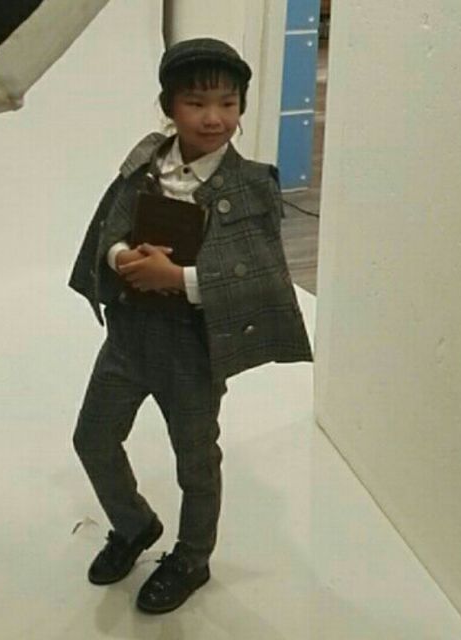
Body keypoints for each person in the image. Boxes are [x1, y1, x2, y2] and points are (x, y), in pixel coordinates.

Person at [69, 37, 313, 614]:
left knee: (196, 461)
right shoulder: (145, 164)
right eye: (196, 103)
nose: (213, 118)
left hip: (193, 349)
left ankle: (193, 557)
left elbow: (263, 277)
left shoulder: (252, 184)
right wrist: (123, 258)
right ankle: (134, 525)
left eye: (228, 103)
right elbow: (109, 229)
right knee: (93, 438)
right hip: (128, 337)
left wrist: (178, 278)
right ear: (169, 106)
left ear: (242, 106)